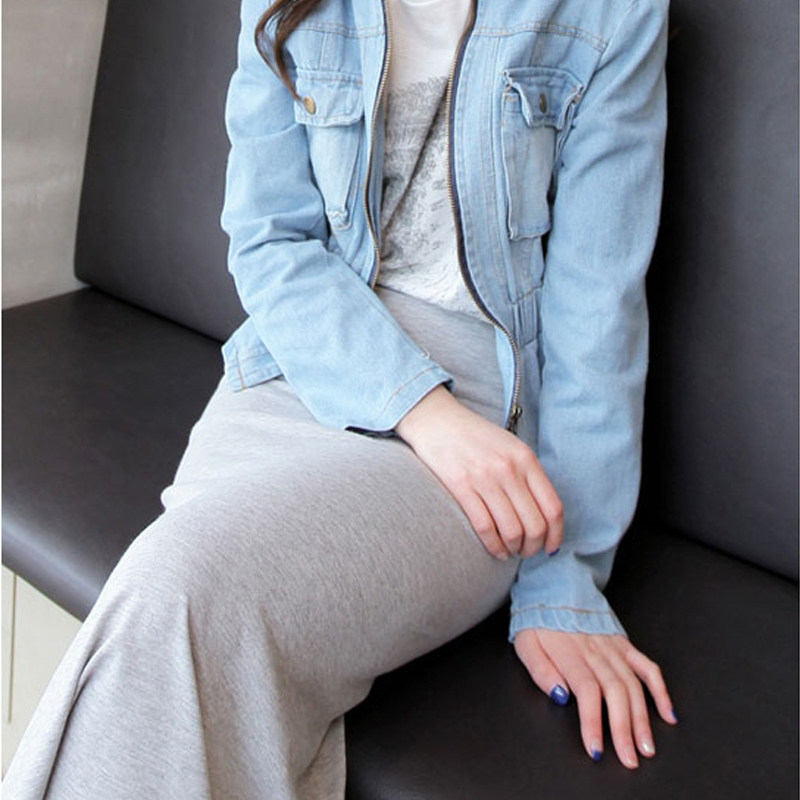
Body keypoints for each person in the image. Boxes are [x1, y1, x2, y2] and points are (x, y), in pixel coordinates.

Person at [4, 0, 677, 796]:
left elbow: (597, 318)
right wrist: (424, 414)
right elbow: (270, 242)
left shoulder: (611, 14)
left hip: (486, 411)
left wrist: (563, 576)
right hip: (307, 359)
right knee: (191, 621)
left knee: (180, 588)